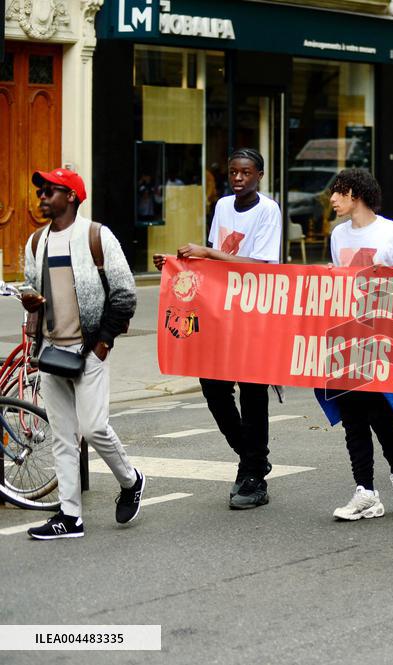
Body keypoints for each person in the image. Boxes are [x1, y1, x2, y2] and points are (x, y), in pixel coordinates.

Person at [154, 148, 282, 509]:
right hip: (220, 312)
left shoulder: (268, 210)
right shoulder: (224, 206)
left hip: (255, 314)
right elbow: (212, 262)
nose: (238, 178)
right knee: (213, 386)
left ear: (259, 175)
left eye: (245, 173)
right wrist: (176, 262)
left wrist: (207, 254)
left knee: (253, 394)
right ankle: (252, 457)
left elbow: (259, 265)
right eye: (233, 172)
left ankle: (254, 475)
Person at [21, 167, 141, 539]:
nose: (42, 197)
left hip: (88, 349)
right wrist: (31, 305)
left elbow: (125, 294)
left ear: (70, 196)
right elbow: (31, 291)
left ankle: (131, 479)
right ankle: (70, 516)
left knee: (93, 427)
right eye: (40, 191)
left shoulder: (96, 236)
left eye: (49, 191)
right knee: (62, 435)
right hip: (51, 351)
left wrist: (102, 344)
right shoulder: (36, 242)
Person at [319, 168, 393, 521]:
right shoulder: (337, 234)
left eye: (338, 192)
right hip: (345, 336)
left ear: (356, 194)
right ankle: (365, 491)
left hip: (381, 336)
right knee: (352, 418)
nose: (332, 199)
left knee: (381, 412)